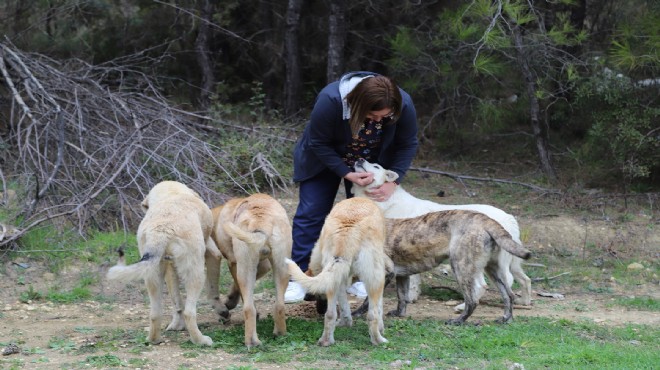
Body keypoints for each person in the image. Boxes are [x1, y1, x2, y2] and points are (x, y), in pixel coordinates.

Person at [286, 71, 419, 303]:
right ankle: (300, 278)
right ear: (357, 104)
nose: (378, 121)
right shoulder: (331, 101)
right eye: (373, 115)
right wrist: (346, 173)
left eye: (384, 117)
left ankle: (360, 278)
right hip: (323, 160)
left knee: (367, 221)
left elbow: (408, 143)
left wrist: (393, 181)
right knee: (311, 214)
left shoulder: (403, 104)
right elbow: (318, 142)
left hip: (368, 163)